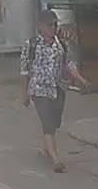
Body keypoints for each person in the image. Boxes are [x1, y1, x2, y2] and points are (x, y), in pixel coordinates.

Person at [20, 9, 91, 173]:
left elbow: (69, 65)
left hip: (58, 88)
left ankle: (46, 149)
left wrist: (81, 80)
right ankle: (55, 159)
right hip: (39, 90)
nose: (53, 28)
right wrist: (24, 94)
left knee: (55, 122)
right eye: (49, 25)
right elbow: (24, 71)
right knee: (48, 122)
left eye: (55, 24)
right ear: (40, 26)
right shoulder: (31, 45)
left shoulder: (61, 45)